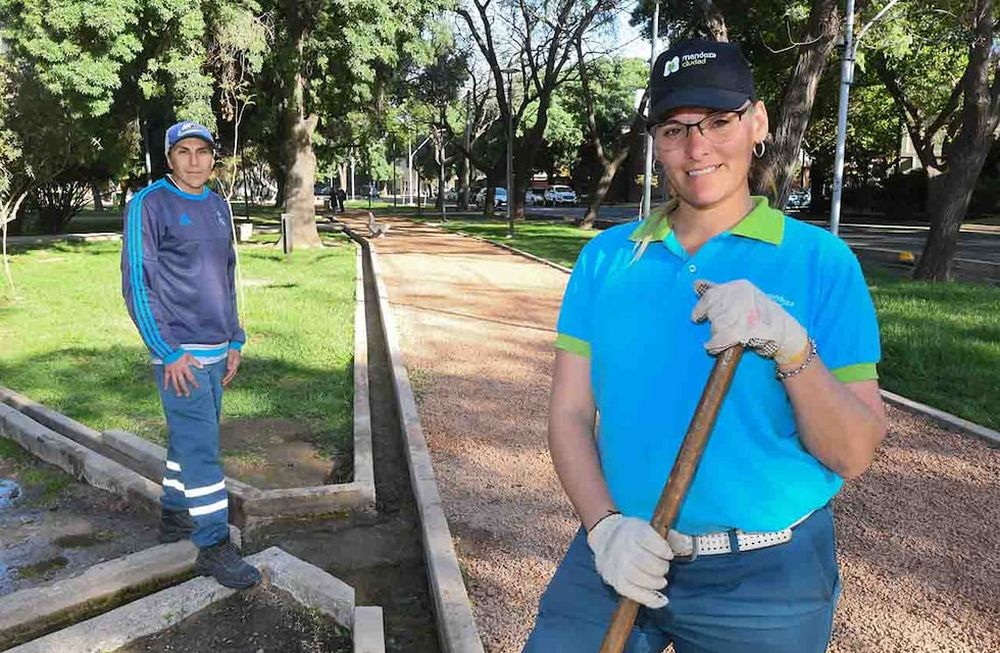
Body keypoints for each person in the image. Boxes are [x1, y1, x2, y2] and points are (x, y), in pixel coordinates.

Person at [523, 39, 887, 653]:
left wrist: (791, 347)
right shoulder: (606, 260)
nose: (697, 148)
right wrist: (605, 529)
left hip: (765, 581)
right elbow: (570, 413)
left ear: (758, 123)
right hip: (620, 554)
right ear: (655, 143)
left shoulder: (821, 262)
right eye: (674, 130)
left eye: (719, 121)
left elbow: (852, 454)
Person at [121, 120, 261, 589]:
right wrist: (167, 351)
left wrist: (235, 339)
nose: (195, 160)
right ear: (169, 158)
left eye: (203, 151)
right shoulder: (148, 204)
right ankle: (213, 545)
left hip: (219, 349)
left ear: (213, 157)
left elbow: (226, 276)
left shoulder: (219, 206)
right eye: (184, 151)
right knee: (203, 450)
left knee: (189, 441)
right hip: (180, 355)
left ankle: (175, 516)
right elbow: (137, 282)